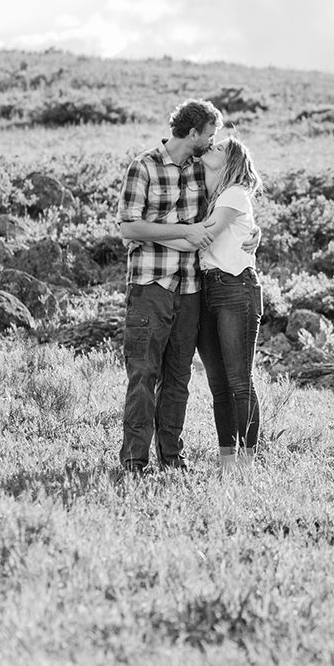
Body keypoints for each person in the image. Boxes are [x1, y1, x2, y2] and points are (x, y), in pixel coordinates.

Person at [115, 99, 224, 475]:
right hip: (150, 287)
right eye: (209, 134)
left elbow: (221, 213)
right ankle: (134, 461)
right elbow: (129, 227)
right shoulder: (143, 166)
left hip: (191, 288)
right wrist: (182, 232)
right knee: (143, 375)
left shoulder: (201, 170)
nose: (213, 141)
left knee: (178, 378)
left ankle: (172, 459)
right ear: (192, 133)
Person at [191, 137, 265, 473]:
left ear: (231, 161)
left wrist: (150, 232)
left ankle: (247, 462)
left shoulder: (235, 194)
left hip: (235, 287)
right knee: (218, 384)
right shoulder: (210, 196)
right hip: (206, 288)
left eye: (219, 148)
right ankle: (226, 462)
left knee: (238, 380)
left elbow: (207, 234)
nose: (211, 148)